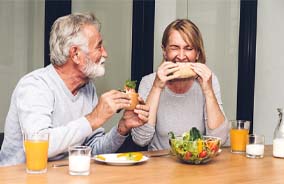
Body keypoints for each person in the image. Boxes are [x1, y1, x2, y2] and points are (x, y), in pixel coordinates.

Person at [0, 13, 149, 166]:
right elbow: (40, 146)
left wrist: (121, 128)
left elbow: (92, 150)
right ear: (75, 54)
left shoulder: (87, 88)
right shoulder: (35, 86)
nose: (105, 53)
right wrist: (93, 118)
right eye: (99, 46)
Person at [131, 19, 229, 150]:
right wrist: (157, 87)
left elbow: (220, 139)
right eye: (174, 48)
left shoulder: (209, 81)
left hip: (196, 162)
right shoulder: (148, 82)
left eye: (188, 48)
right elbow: (140, 139)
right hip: (159, 166)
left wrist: (208, 91)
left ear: (197, 54)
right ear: (164, 51)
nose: (181, 56)